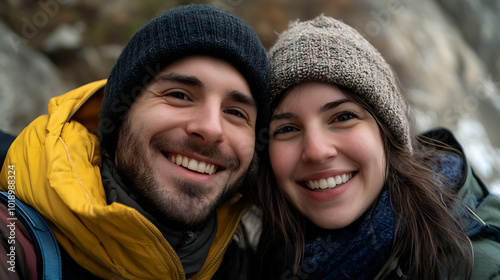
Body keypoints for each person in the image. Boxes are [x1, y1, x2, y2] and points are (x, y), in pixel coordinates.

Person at [0, 4, 269, 279]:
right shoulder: (14, 238)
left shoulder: (246, 266)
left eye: (236, 113)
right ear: (120, 115)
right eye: (179, 95)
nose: (211, 128)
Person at [254, 15, 500, 279]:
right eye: (287, 129)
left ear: (388, 134)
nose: (316, 151)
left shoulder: (476, 266)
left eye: (343, 117)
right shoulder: (259, 260)